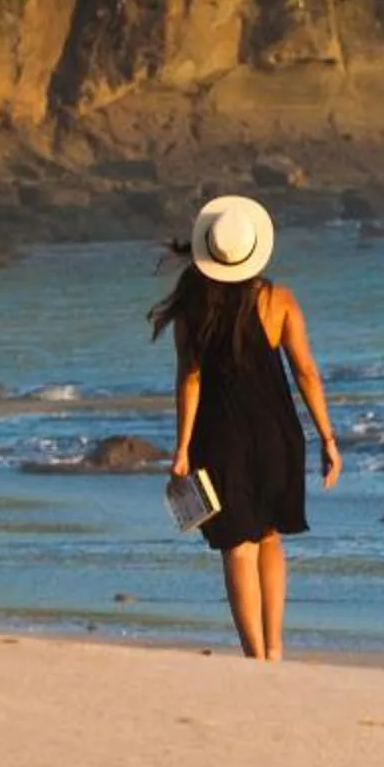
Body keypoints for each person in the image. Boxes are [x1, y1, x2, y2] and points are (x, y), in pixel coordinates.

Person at [149, 195, 339, 660]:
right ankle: (274, 648)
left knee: (237, 547)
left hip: (220, 441)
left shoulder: (193, 311)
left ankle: (254, 654)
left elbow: (188, 382)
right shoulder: (278, 300)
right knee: (271, 538)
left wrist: (182, 450)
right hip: (278, 437)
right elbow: (307, 372)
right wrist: (328, 439)